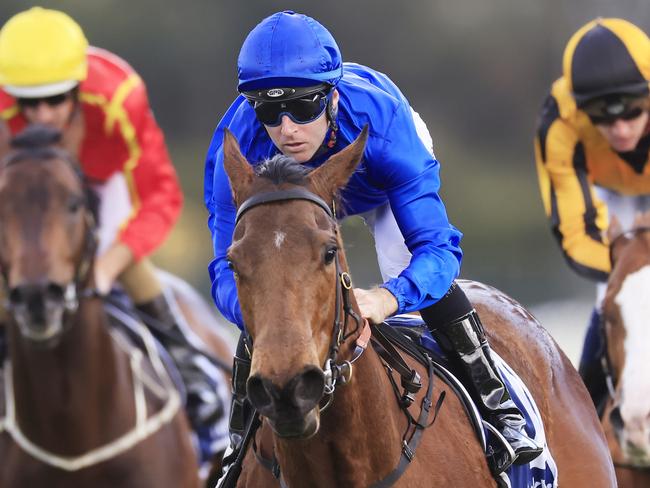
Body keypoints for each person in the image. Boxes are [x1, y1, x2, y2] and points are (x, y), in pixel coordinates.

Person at [205, 10, 542, 476]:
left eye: (302, 107)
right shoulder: (234, 149)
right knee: (266, 281)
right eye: (267, 110)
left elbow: (439, 252)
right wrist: (268, 314)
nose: (285, 128)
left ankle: (497, 406)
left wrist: (386, 298)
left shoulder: (384, 130)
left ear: (331, 96)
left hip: (375, 179)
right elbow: (225, 269)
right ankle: (237, 445)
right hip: (287, 202)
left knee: (405, 265)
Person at [0, 7, 219, 431]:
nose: (43, 114)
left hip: (103, 182)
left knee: (125, 264)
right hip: (27, 196)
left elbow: (160, 196)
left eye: (56, 99)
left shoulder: (119, 94)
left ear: (79, 86)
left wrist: (107, 265)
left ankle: (193, 372)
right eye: (29, 103)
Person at [534, 18, 650, 415]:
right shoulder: (558, 122)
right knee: (611, 301)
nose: (619, 128)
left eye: (632, 110)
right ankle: (586, 413)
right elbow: (576, 235)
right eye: (600, 114)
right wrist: (628, 275)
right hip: (606, 194)